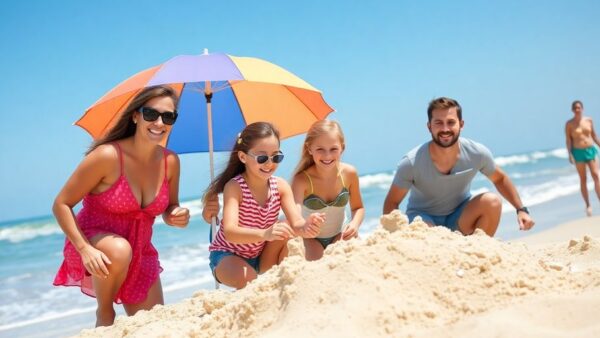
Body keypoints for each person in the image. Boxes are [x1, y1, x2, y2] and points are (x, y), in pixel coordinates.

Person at [53, 85, 190, 327]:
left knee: (155, 325)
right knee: (119, 250)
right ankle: (104, 313)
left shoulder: (170, 161)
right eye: (151, 114)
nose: (159, 122)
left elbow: (171, 206)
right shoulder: (107, 156)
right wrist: (85, 249)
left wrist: (175, 214)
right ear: (136, 115)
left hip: (141, 250)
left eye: (168, 117)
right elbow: (62, 204)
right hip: (96, 245)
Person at [383, 97, 535, 236]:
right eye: (438, 123)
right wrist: (395, 234)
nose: (445, 129)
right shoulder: (411, 162)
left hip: (461, 216)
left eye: (450, 122)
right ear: (429, 127)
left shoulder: (477, 153)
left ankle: (478, 252)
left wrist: (521, 210)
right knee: (431, 235)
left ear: (461, 125)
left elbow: (500, 179)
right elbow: (392, 202)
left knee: (492, 201)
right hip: (424, 219)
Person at [202, 122, 324, 289]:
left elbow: (297, 223)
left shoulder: (280, 186)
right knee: (251, 280)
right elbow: (230, 232)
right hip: (227, 257)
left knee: (287, 229)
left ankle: (288, 285)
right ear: (243, 157)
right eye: (262, 157)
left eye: (276, 157)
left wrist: (308, 225)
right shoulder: (235, 186)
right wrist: (265, 233)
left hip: (261, 257)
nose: (269, 163)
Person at [290, 120, 365, 261]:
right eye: (320, 149)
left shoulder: (349, 173)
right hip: (311, 239)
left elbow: (358, 207)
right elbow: (295, 217)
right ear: (309, 148)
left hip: (340, 233)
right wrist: (305, 225)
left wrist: (354, 225)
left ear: (342, 148)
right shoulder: (302, 180)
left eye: (333, 149)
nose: (327, 156)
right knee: (318, 268)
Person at [565, 100, 600, 216]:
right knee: (583, 179)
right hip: (578, 152)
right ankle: (588, 204)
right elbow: (569, 140)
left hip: (590, 150)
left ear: (582, 108)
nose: (577, 110)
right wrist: (569, 154)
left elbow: (594, 136)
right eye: (575, 108)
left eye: (579, 107)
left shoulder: (589, 120)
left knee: (596, 175)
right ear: (572, 110)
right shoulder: (569, 124)